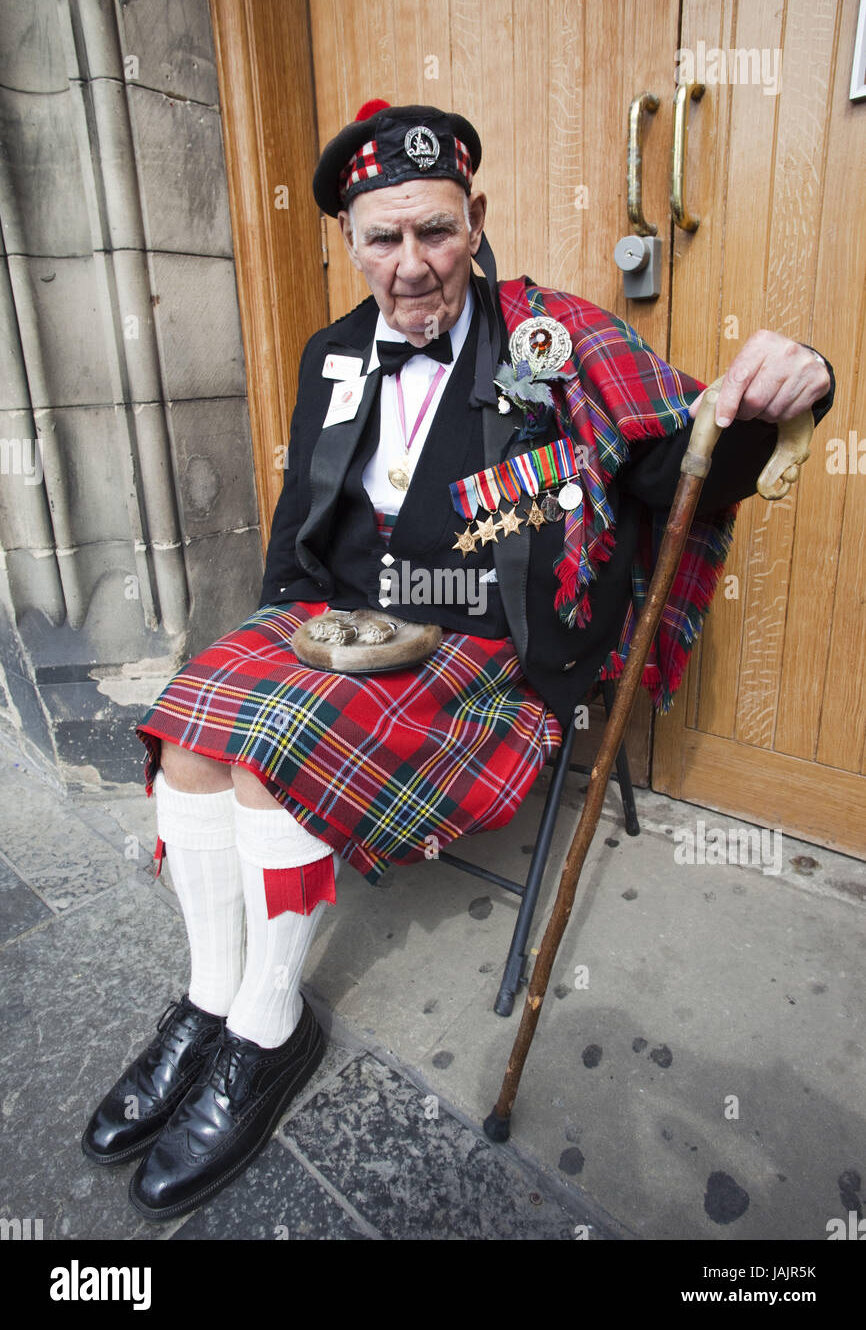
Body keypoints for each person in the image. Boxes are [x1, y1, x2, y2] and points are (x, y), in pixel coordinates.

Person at [80, 101, 834, 1222]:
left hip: (491, 645)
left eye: (434, 231)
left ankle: (266, 1030)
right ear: (347, 236)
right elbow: (301, 520)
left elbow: (676, 462)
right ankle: (206, 1001)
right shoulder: (332, 351)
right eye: (382, 238)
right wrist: (278, 634)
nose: (411, 265)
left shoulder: (554, 337)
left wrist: (786, 385)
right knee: (197, 722)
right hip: (347, 625)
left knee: (267, 750)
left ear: (474, 221)